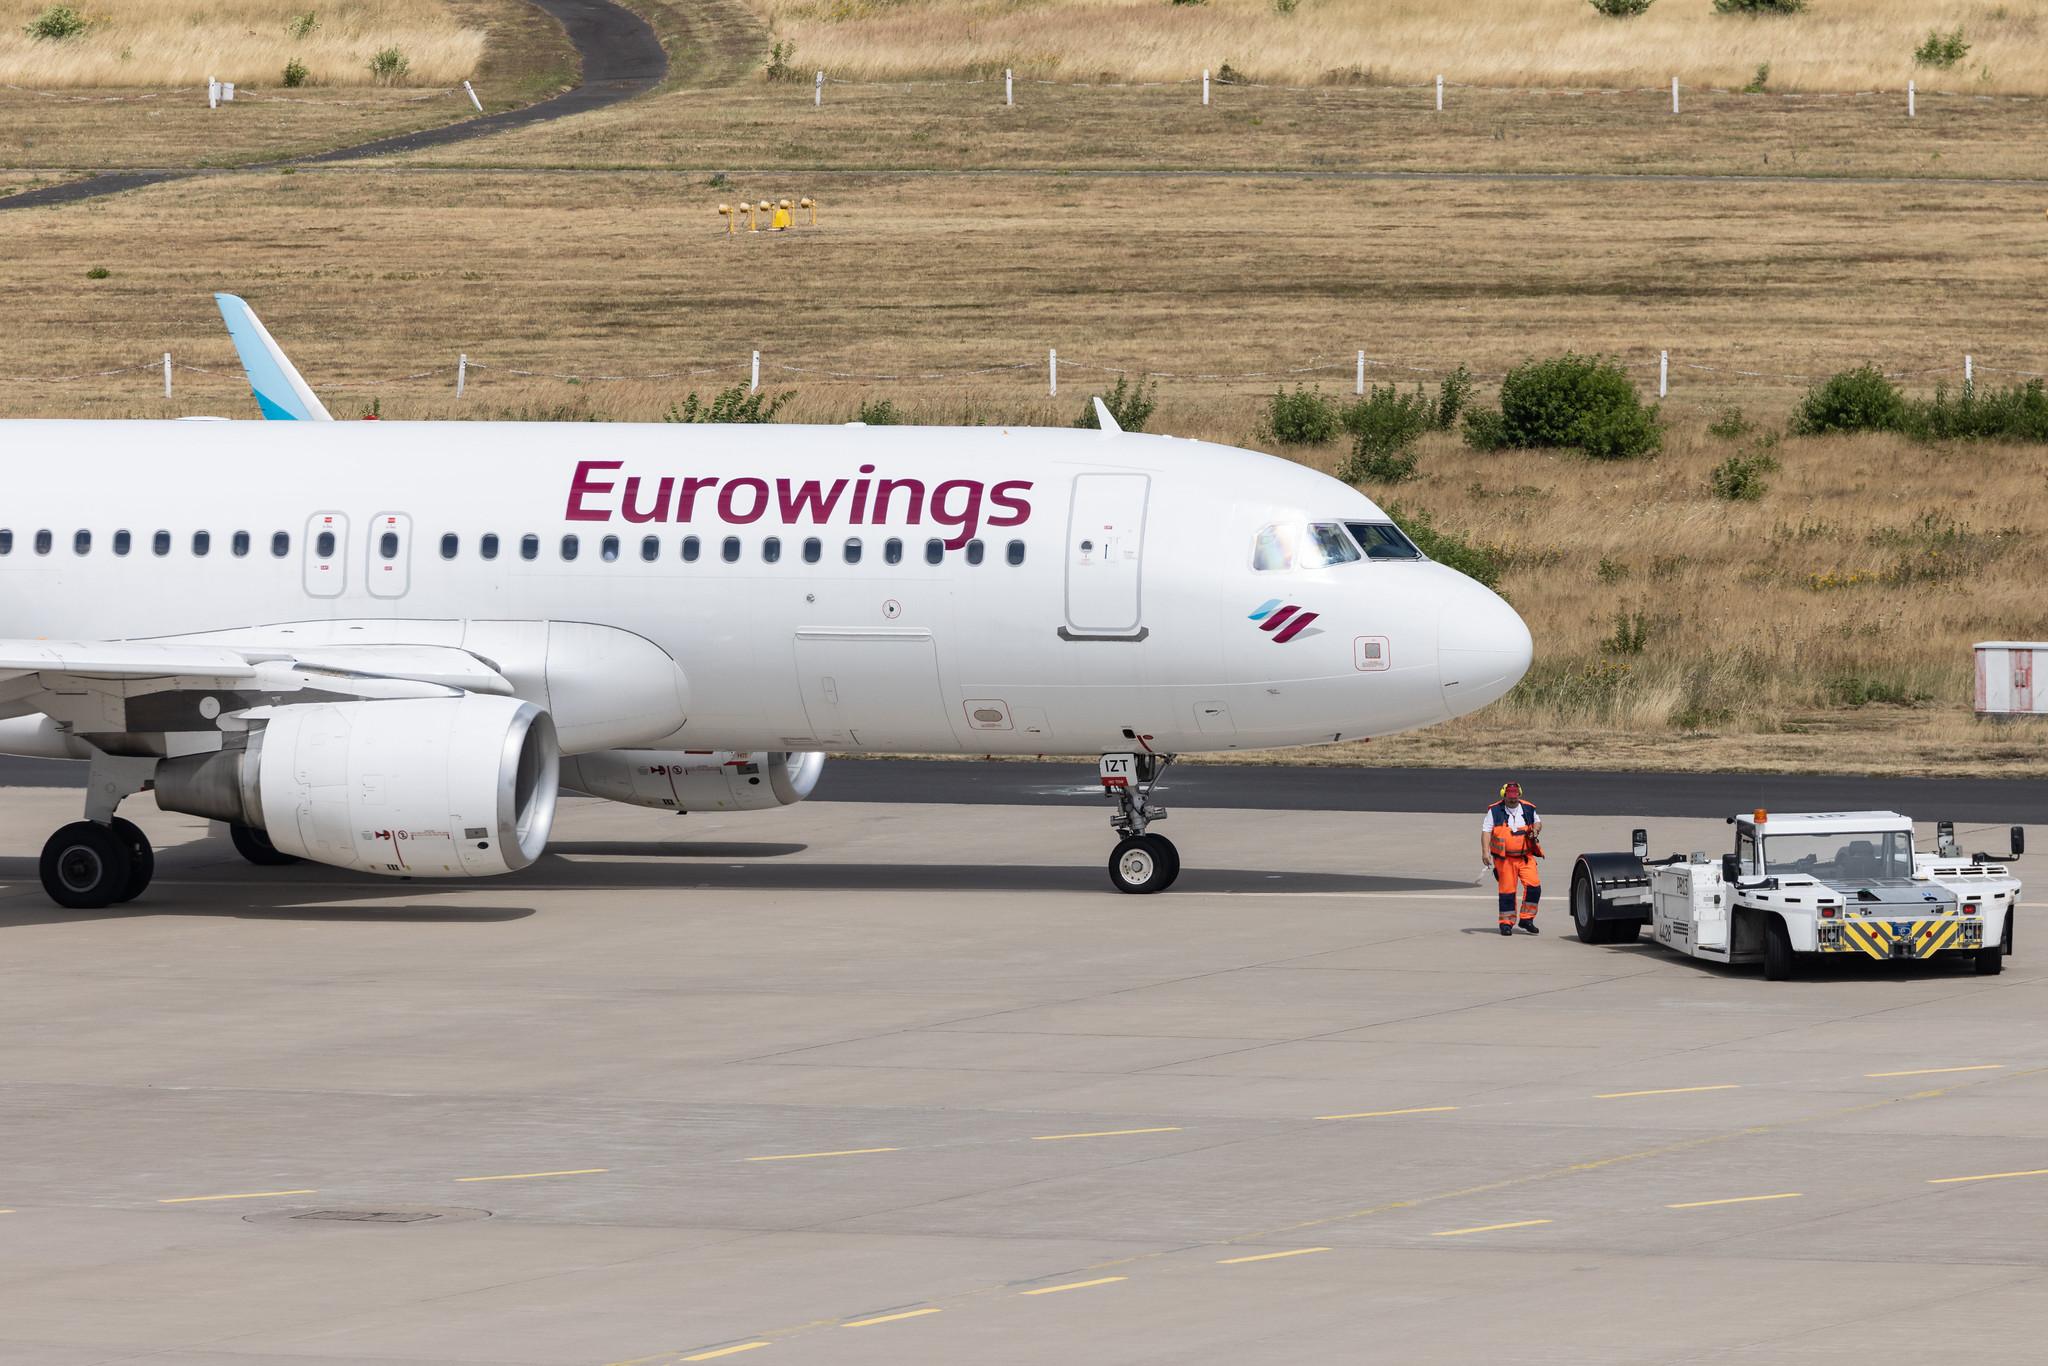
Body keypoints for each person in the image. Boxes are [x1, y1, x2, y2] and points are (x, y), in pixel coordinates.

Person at [1481, 781, 1542, 936]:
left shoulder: (1528, 808)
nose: (1512, 800)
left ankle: (1527, 919)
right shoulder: (1494, 811)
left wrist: (1535, 830)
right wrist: (1485, 852)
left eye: (1515, 798)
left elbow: (1538, 822)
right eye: (1510, 798)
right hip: (1504, 860)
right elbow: (1486, 832)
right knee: (1507, 892)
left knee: (1534, 886)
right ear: (1504, 796)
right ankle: (1506, 923)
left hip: (1525, 857)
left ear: (1519, 795)